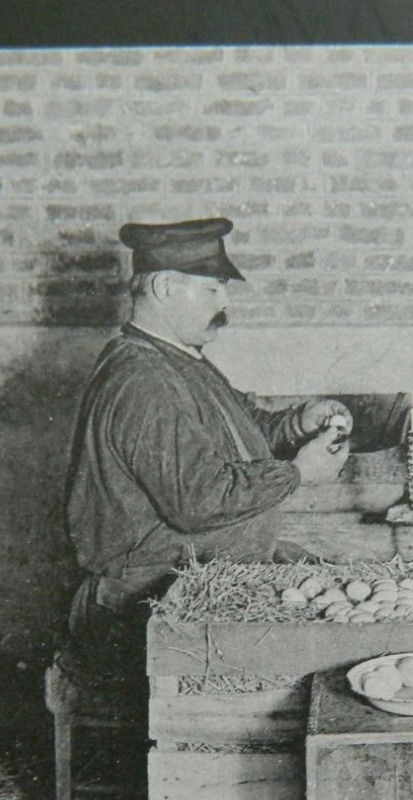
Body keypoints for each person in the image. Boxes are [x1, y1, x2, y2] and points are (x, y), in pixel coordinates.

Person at [63, 217, 351, 692]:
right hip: (148, 600)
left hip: (202, 575)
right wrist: (297, 475)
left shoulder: (179, 359)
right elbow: (198, 500)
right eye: (213, 290)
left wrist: (300, 422)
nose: (225, 305)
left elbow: (244, 429)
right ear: (163, 288)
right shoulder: (142, 379)